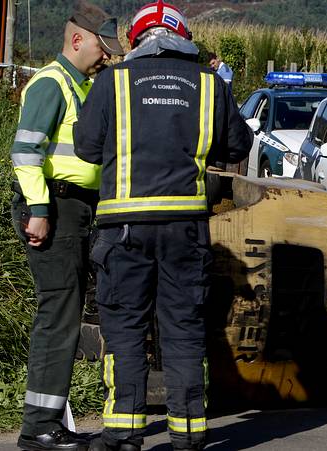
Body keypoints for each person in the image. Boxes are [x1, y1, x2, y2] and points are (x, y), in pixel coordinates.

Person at [73, 1, 251, 450]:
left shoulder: (114, 81)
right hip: (185, 228)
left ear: (135, 40)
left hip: (124, 228)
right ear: (183, 38)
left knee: (125, 328)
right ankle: (189, 436)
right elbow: (236, 144)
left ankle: (123, 431)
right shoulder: (210, 85)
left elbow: (87, 148)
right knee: (183, 328)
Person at [9, 2, 124, 450]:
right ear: (77, 39)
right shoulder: (51, 84)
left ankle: (48, 421)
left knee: (65, 314)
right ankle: (39, 426)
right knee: (58, 316)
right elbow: (25, 153)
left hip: (72, 208)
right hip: (53, 208)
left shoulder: (78, 85)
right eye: (101, 47)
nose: (106, 57)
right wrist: (38, 209)